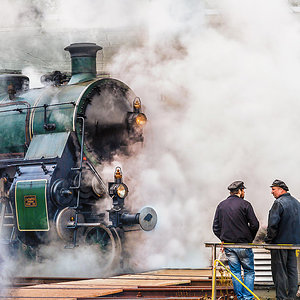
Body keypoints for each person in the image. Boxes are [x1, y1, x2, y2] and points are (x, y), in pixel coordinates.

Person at [213, 180, 259, 300]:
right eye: (243, 190)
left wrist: (223, 238)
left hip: (229, 245)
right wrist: (249, 238)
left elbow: (215, 227)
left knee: (236, 272)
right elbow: (255, 224)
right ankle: (248, 298)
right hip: (244, 245)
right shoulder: (245, 205)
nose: (244, 192)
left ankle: (240, 297)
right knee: (249, 271)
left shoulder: (221, 205)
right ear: (239, 191)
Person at [265, 179, 300, 300]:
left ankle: (281, 297)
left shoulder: (279, 203)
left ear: (281, 189)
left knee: (279, 271)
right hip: (295, 244)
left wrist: (269, 240)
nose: (271, 192)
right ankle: (292, 296)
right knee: (292, 270)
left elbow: (273, 225)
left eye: (273, 189)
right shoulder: (297, 203)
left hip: (279, 244)